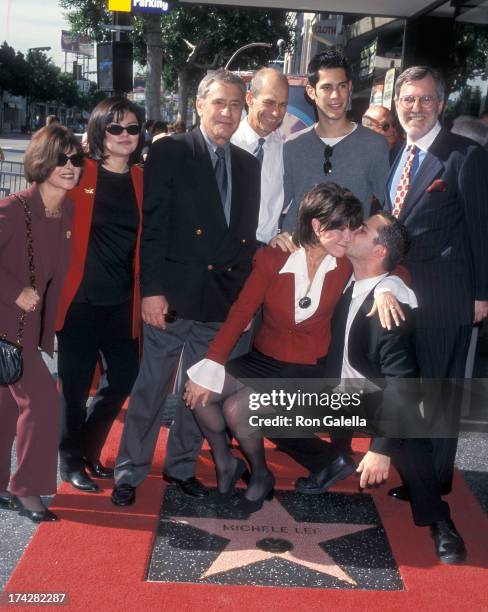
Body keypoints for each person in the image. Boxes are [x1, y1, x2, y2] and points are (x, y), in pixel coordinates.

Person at [184, 184, 407, 515]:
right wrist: (212, 364)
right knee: (200, 395)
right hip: (263, 358)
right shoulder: (272, 258)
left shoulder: (345, 265)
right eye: (340, 228)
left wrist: (387, 288)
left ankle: (260, 475)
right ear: (317, 226)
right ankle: (225, 462)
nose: (348, 237)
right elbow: (241, 313)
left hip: (307, 367)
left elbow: (395, 266)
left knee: (236, 411)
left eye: (353, 227)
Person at [110, 70, 261, 507]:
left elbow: (245, 239)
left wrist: (242, 301)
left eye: (236, 104)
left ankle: (180, 469)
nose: (228, 112)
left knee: (199, 394)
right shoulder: (172, 151)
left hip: (220, 297)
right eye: (219, 103)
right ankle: (130, 472)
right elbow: (153, 227)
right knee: (152, 387)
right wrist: (151, 291)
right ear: (199, 105)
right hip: (172, 295)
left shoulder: (249, 164)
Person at [297, 211, 467, 565]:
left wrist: (381, 449)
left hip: (372, 400)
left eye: (361, 229)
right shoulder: (348, 273)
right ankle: (335, 457)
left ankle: (439, 519)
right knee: (260, 405)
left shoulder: (390, 307)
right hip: (331, 388)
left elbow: (402, 383)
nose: (350, 230)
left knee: (406, 433)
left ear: (378, 252)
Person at [383, 66, 488, 511]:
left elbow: (482, 229)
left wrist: (481, 295)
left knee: (440, 395)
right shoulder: (395, 153)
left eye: (426, 99)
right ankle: (417, 472)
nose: (416, 107)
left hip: (446, 297)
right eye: (408, 99)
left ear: (441, 104)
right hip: (399, 295)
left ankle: (437, 481)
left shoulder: (466, 155)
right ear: (397, 103)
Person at [55, 97, 144, 494]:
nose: (125, 135)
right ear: (99, 131)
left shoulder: (144, 179)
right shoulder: (81, 172)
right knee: (73, 386)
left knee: (124, 376)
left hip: (123, 302)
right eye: (116, 128)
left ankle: (86, 447)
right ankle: (70, 461)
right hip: (78, 301)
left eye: (133, 128)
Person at [0, 125, 84, 522]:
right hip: (5, 325)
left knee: (3, 407)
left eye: (76, 159)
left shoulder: (67, 209)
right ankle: (26, 488)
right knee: (43, 401)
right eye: (61, 159)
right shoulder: (15, 208)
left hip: (33, 330)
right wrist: (14, 290)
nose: (70, 167)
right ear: (42, 162)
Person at [280, 48, 389, 237]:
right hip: (299, 254)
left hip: (349, 257)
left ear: (350, 87)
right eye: (327, 87)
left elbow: (389, 207)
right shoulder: (292, 146)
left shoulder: (374, 145)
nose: (336, 96)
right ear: (311, 91)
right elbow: (278, 204)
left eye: (342, 86)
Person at [231, 68, 288, 246]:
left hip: (264, 253)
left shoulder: (285, 151)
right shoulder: (226, 143)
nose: (277, 112)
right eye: (270, 102)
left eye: (283, 104)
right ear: (249, 99)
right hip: (224, 251)